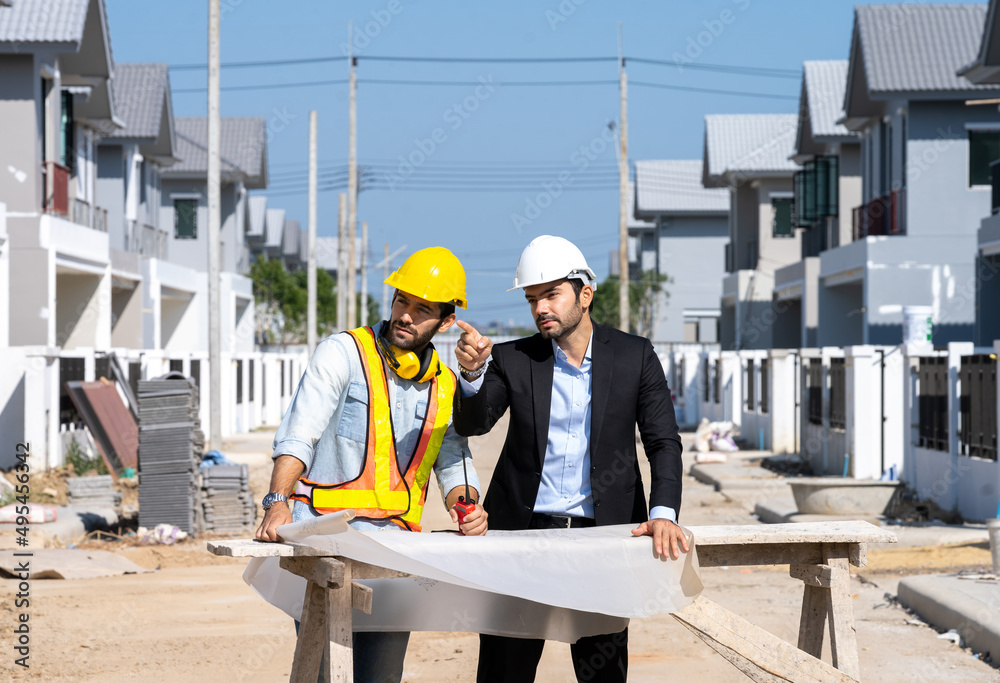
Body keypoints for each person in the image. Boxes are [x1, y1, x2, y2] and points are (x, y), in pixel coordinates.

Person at [452, 234, 687, 683]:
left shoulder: (635, 356)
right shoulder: (511, 359)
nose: (541, 308)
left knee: (602, 672)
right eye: (532, 298)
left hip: (604, 539)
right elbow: (473, 424)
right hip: (520, 537)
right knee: (505, 670)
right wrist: (470, 374)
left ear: (585, 293)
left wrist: (663, 512)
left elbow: (663, 442)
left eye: (551, 295)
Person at [256, 246, 488, 683]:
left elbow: (454, 461)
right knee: (325, 673)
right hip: (327, 542)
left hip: (395, 554)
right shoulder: (343, 353)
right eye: (402, 301)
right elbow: (298, 432)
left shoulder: (445, 383)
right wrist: (277, 500)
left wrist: (467, 506)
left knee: (380, 677)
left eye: (422, 309)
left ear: (447, 321)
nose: (405, 315)